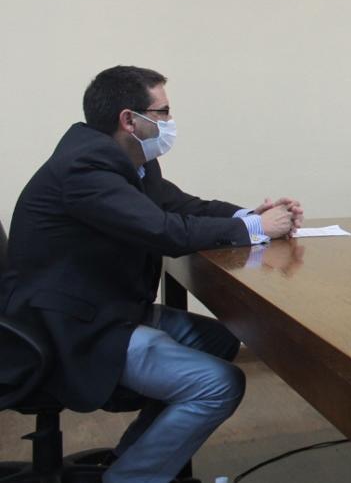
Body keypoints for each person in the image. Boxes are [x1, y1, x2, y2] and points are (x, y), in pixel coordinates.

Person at [0, 66, 301, 483]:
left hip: (103, 308)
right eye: (163, 112)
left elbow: (181, 207)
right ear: (129, 119)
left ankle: (132, 456)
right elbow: (162, 230)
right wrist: (255, 231)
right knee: (218, 384)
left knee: (219, 337)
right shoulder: (85, 168)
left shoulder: (127, 159)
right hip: (67, 328)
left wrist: (252, 216)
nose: (169, 122)